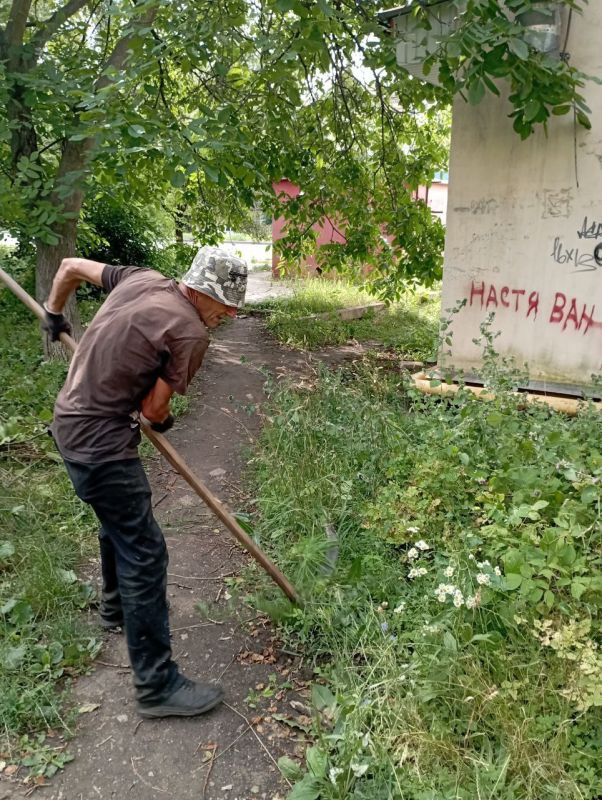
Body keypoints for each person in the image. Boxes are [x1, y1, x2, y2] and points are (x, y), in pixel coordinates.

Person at [43, 247, 247, 718]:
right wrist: (164, 420)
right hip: (101, 448)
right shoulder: (190, 332)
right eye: (224, 304)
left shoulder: (140, 279)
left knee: (117, 521)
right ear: (200, 291)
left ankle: (115, 609)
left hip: (69, 426)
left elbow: (70, 268)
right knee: (144, 551)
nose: (228, 315)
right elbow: (154, 413)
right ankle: (157, 685)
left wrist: (54, 314)